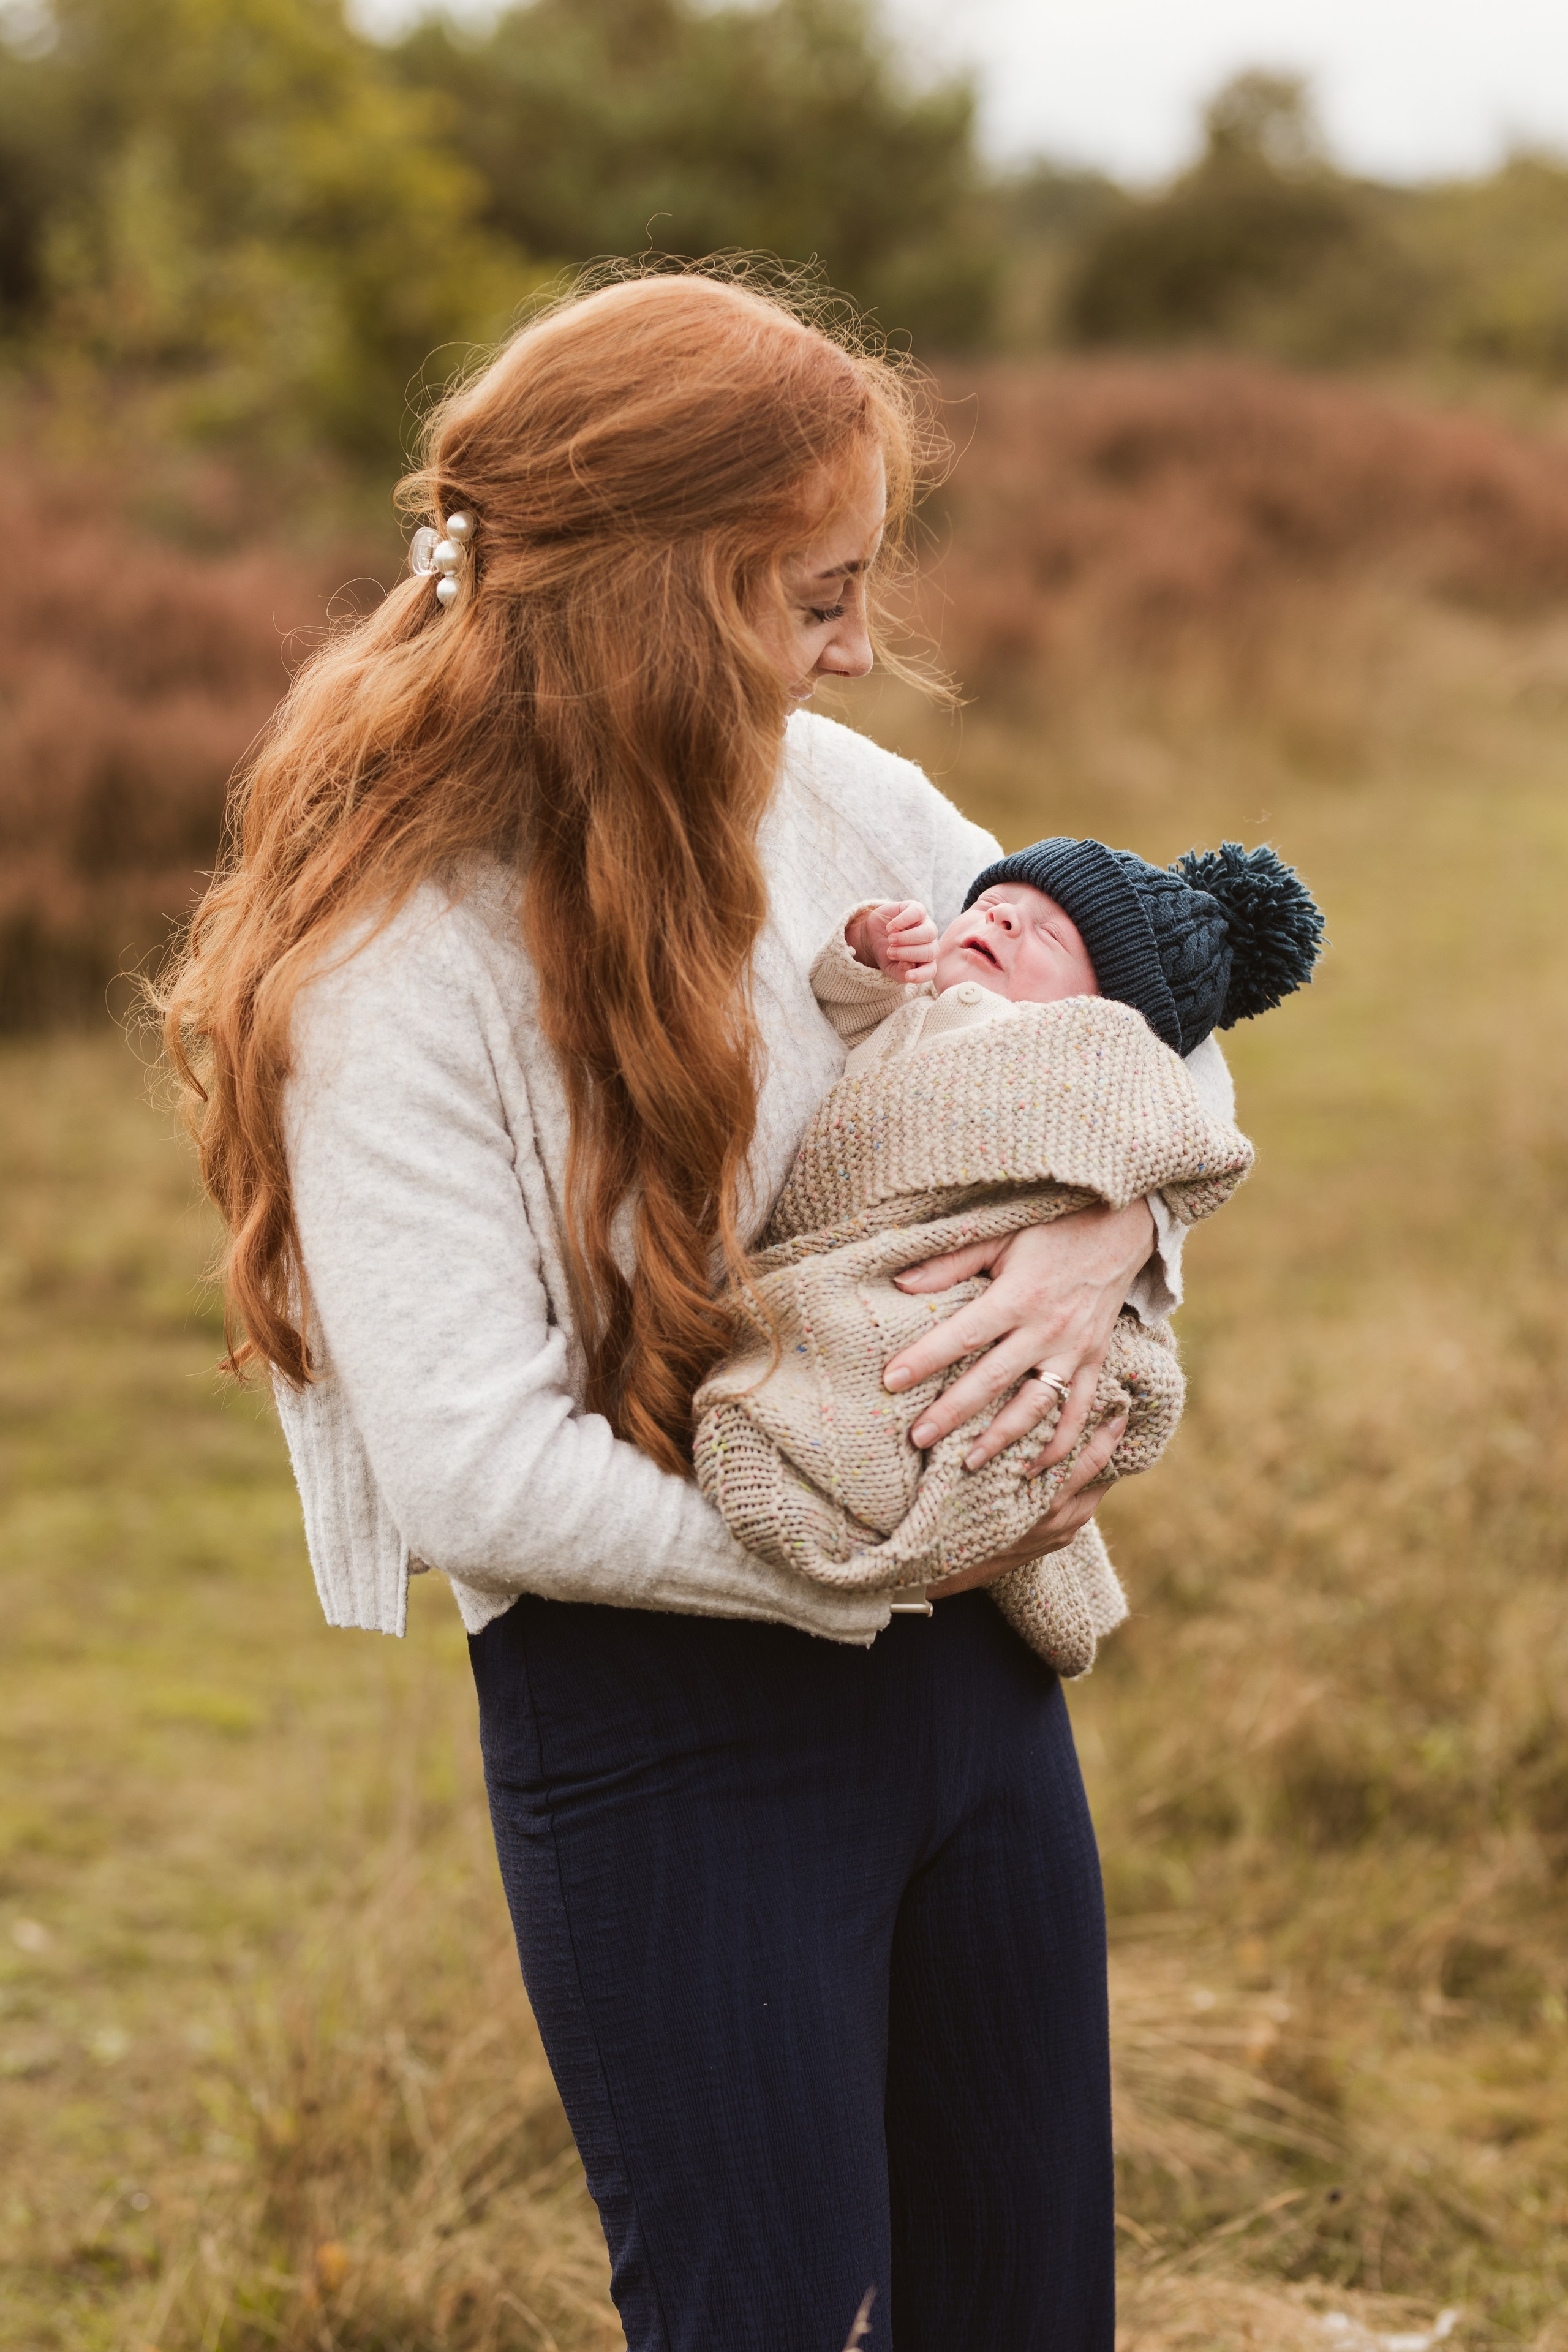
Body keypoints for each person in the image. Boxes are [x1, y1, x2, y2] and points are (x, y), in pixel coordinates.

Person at [161, 266, 1219, 2351]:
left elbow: (1155, 1005)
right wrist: (873, 1560)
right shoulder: (397, 964)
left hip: (980, 1695)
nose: (860, 646)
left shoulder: (849, 803)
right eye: (816, 595)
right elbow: (477, 1475)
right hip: (668, 1731)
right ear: (656, 597)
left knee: (1030, 2314)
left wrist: (1108, 1227)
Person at [693, 840, 1319, 1672]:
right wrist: (868, 949)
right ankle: (848, 1488)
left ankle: (895, 1499)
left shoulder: (1091, 1049)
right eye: (993, 904)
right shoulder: (917, 1006)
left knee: (954, 1381)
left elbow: (1191, 1139)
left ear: (1109, 1006)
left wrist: (1121, 1217)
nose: (1003, 920)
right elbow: (840, 1008)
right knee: (822, 1353)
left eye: (1048, 934)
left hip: (975, 1266)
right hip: (857, 1253)